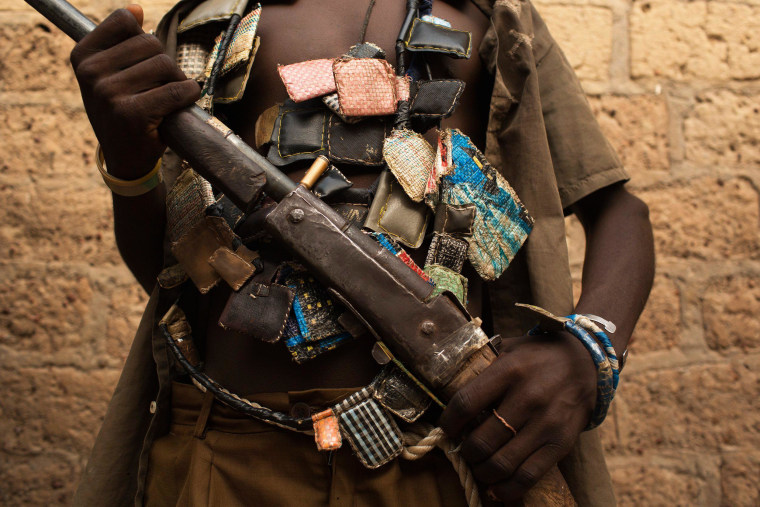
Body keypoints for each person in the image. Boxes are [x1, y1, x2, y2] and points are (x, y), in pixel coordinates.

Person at [68, 0, 655, 505]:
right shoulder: (207, 25)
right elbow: (169, 276)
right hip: (225, 447)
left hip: (436, 456)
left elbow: (619, 212)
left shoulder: (489, 15)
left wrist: (588, 352)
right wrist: (126, 162)